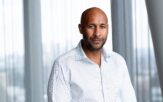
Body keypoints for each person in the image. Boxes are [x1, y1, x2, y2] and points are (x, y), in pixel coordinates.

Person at [47, 7, 137, 102]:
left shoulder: (118, 61)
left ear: (107, 28)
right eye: (91, 26)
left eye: (102, 26)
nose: (97, 33)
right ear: (81, 28)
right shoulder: (63, 65)